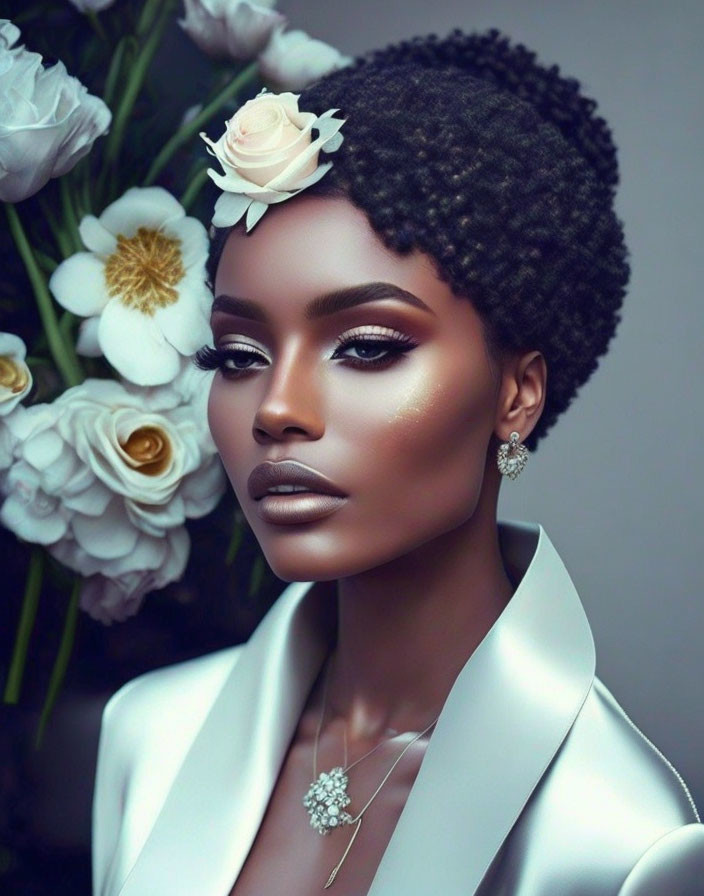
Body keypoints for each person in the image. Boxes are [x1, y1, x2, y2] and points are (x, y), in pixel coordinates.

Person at [91, 29, 704, 896]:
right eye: (235, 356)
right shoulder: (146, 735)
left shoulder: (621, 840)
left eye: (368, 347)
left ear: (517, 394)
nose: (275, 409)